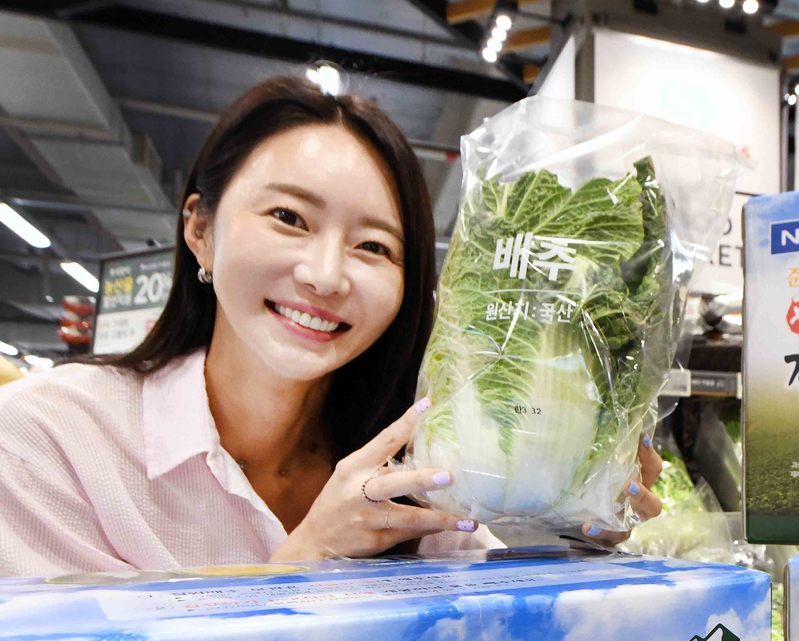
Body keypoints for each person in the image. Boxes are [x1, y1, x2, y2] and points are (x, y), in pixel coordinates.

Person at [0, 76, 661, 576]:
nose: (324, 276)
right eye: (289, 218)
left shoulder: (413, 465)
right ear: (200, 229)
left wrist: (573, 533)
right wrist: (307, 557)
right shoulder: (46, 439)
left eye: (373, 247)